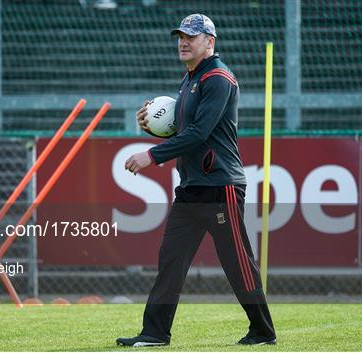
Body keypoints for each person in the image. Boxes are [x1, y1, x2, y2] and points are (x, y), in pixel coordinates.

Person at [116, 14, 276, 347]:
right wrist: (152, 126)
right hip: (191, 187)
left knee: (237, 263)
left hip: (220, 186)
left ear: (210, 42)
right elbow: (187, 130)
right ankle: (155, 333)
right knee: (170, 260)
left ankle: (262, 330)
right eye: (180, 36)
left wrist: (153, 154)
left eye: (191, 36)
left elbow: (200, 132)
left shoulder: (218, 77)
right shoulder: (189, 79)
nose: (183, 41)